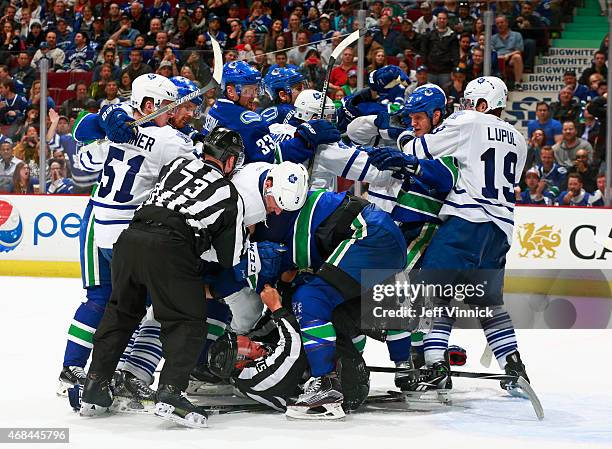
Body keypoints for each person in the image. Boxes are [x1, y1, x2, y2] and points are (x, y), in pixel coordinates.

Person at [80, 127, 246, 429]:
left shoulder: (176, 165)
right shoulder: (228, 192)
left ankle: (95, 385)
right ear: (230, 161)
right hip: (170, 248)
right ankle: (170, 392)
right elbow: (229, 258)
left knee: (120, 313)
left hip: (129, 239)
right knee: (186, 320)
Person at [388, 76, 531, 397]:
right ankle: (514, 366)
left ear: (481, 105)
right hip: (501, 228)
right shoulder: (520, 140)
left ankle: (437, 364)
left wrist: (399, 136)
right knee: (489, 302)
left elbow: (419, 149)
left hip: (467, 220)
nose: (465, 108)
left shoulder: (468, 121)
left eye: (470, 102)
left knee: (436, 291)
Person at [203, 61, 340, 164]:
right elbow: (273, 158)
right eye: (249, 90)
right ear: (230, 91)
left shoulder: (217, 108)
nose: (254, 96)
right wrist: (306, 139)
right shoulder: (248, 121)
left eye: (256, 90)